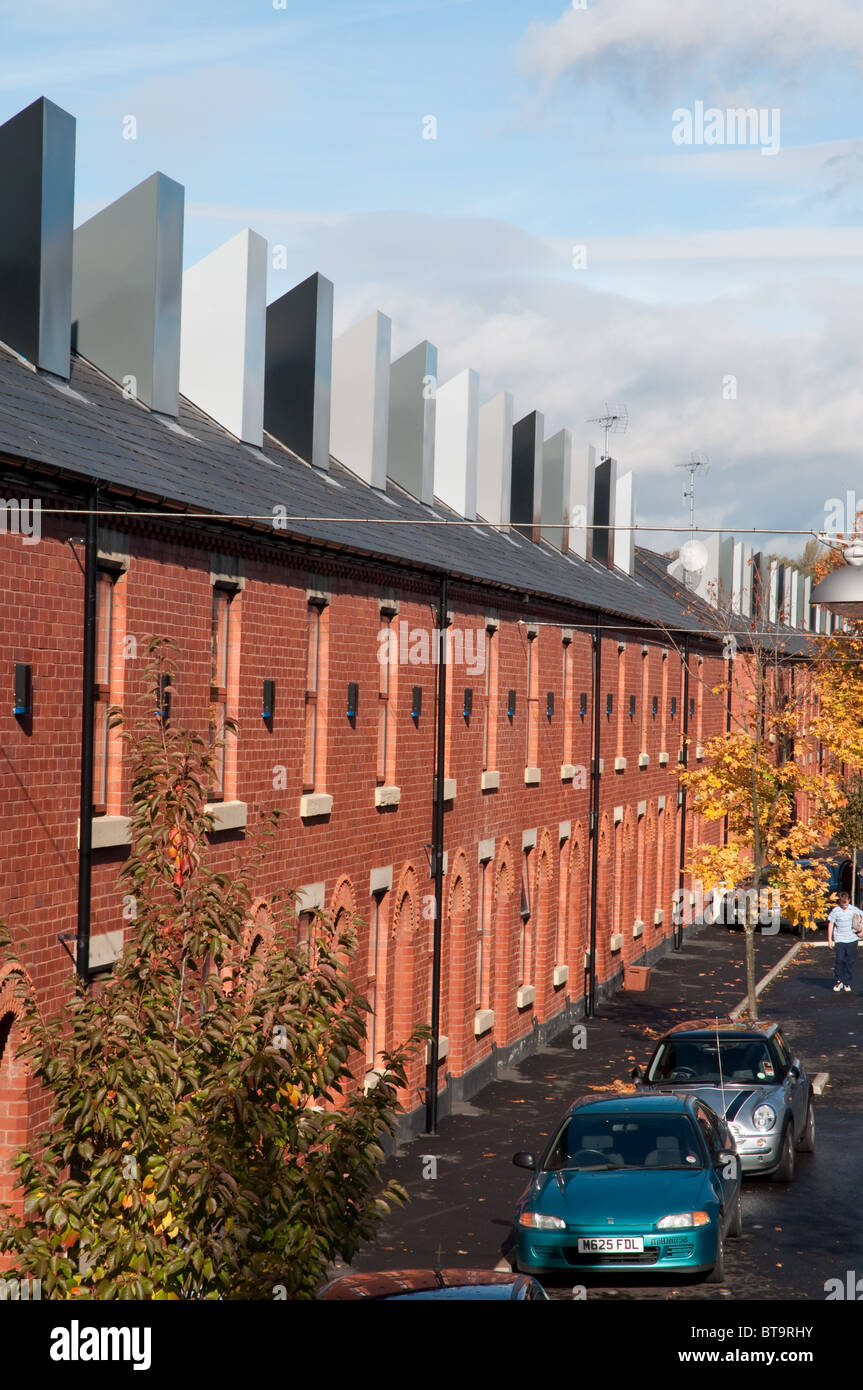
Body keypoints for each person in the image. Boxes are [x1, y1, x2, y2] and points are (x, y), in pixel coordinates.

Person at [827, 892, 863, 994]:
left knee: (850, 961)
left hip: (852, 939)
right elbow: (831, 924)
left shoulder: (853, 909)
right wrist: (830, 939)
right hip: (840, 939)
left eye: (846, 904)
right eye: (843, 904)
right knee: (840, 960)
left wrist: (861, 930)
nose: (845, 906)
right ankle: (839, 981)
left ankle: (846, 981)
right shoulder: (836, 911)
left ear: (849, 901)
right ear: (840, 902)